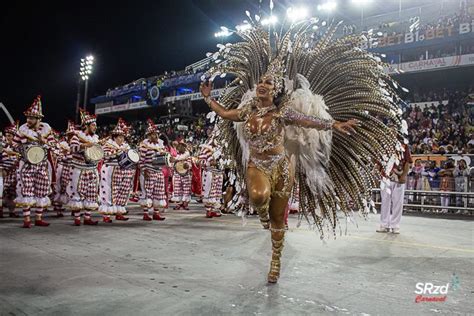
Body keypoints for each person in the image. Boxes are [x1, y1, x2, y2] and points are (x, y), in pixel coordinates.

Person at [199, 16, 403, 283]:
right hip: (257, 165)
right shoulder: (247, 110)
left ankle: (275, 262)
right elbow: (225, 113)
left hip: (282, 168)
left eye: (269, 84)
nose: (262, 85)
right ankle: (262, 214)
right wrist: (207, 98)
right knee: (259, 197)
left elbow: (310, 121)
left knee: (278, 222)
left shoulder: (283, 113)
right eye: (261, 81)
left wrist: (336, 125)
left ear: (275, 90)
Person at [13, 96, 56, 228]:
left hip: (42, 164)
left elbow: (55, 146)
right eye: (28, 118)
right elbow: (14, 145)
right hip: (26, 165)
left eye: (31, 118)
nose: (28, 120)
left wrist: (45, 142)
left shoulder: (47, 131)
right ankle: (26, 219)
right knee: (27, 190)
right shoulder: (22, 131)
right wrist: (23, 146)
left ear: (39, 119)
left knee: (41, 190)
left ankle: (38, 218)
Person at [66, 109, 101, 226]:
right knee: (77, 191)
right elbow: (72, 148)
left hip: (92, 168)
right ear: (86, 125)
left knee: (91, 192)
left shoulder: (96, 138)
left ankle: (87, 217)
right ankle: (77, 218)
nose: (95, 127)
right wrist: (85, 145)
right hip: (79, 169)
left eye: (96, 125)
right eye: (93, 125)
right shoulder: (77, 136)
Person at [99, 118, 135, 223]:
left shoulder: (126, 146)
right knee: (108, 191)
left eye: (123, 137)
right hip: (110, 168)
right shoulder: (107, 144)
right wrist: (118, 152)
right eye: (120, 137)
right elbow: (105, 155)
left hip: (123, 170)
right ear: (114, 137)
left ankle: (119, 212)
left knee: (122, 191)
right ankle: (107, 215)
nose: (122, 139)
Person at [377, 139, 412, 234]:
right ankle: (384, 224)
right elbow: (378, 161)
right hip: (385, 177)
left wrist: (404, 176)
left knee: (398, 202)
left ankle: (395, 225)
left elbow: (408, 161)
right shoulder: (382, 144)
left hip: (399, 177)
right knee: (385, 202)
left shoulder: (404, 145)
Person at [138, 119, 167, 221]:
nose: (156, 136)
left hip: (159, 171)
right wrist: (144, 170)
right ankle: (146, 213)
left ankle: (156, 213)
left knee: (158, 192)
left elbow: (165, 158)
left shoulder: (160, 146)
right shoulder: (144, 146)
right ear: (149, 135)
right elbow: (140, 161)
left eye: (157, 134)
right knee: (147, 192)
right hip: (148, 171)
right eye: (154, 134)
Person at [52, 120, 75, 217]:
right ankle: (58, 209)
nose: (71, 137)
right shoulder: (62, 145)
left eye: (73, 135)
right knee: (60, 187)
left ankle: (75, 209)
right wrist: (66, 153)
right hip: (62, 167)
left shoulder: (75, 145)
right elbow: (58, 156)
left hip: (72, 168)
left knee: (73, 188)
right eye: (70, 135)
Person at [199, 136, 224, 218]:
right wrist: (215, 158)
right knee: (209, 192)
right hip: (210, 173)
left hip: (218, 173)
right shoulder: (207, 149)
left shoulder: (220, 149)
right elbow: (206, 162)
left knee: (216, 193)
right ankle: (208, 211)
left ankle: (212, 210)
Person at [0, 122, 20, 218]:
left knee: (12, 192)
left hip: (13, 172)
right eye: (6, 135)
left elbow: (21, 157)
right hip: (3, 172)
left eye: (9, 136)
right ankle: (1, 210)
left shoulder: (17, 147)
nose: (7, 137)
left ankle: (12, 211)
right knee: (3, 192)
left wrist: (12, 153)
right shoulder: (3, 146)